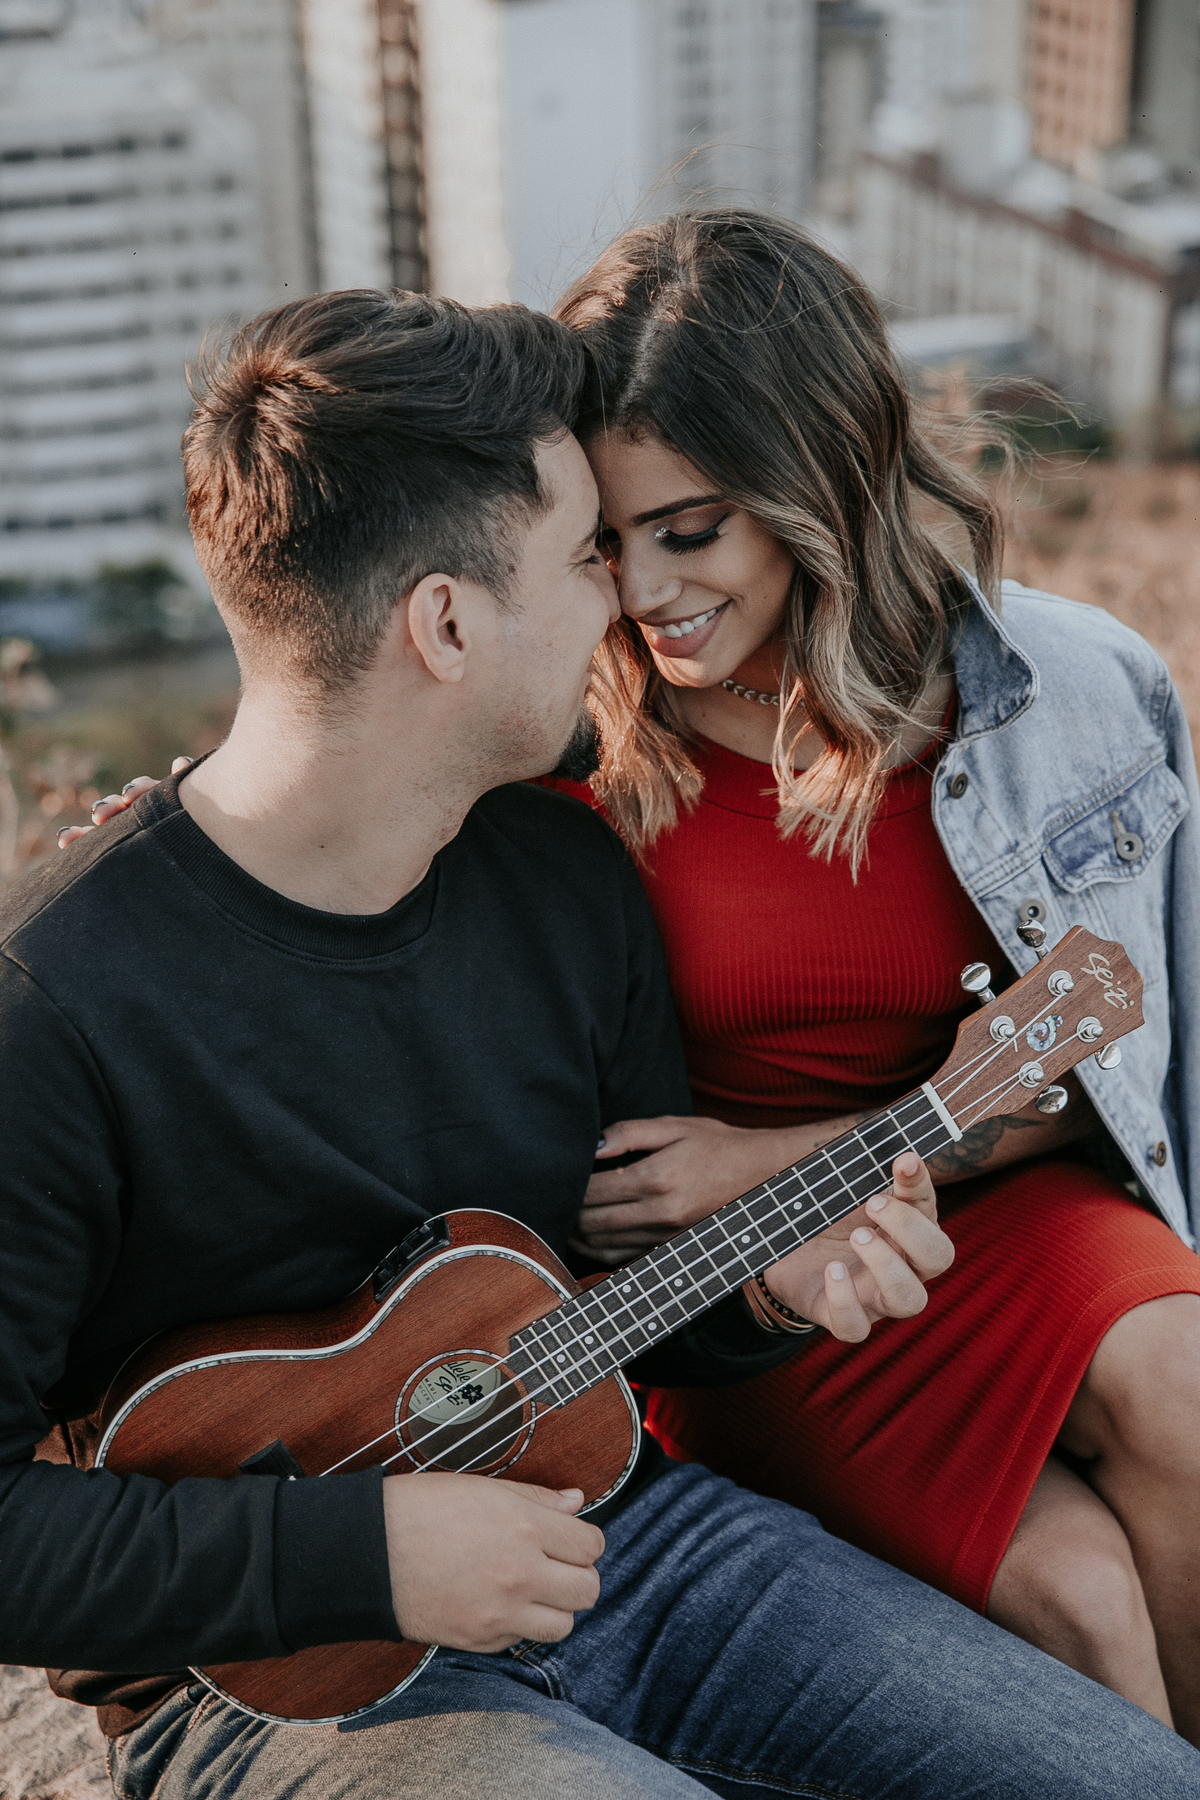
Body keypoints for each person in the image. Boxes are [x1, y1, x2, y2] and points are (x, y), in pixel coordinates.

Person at [14, 289, 1197, 1800]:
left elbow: (638, 1310)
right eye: (584, 553)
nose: (622, 600)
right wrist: (361, 1552)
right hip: (271, 1681)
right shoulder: (50, 1007)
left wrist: (773, 1277)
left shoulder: (570, 878)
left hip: (626, 1540)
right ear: (444, 624)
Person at [511, 209, 1200, 1742]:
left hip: (1006, 1200)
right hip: (763, 1304)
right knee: (1083, 1608)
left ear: (817, 483)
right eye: (602, 545)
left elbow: (1118, 1078)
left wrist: (766, 1156)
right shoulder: (560, 762)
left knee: (1184, 1376)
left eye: (690, 532)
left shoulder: (1065, 696)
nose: (643, 594)